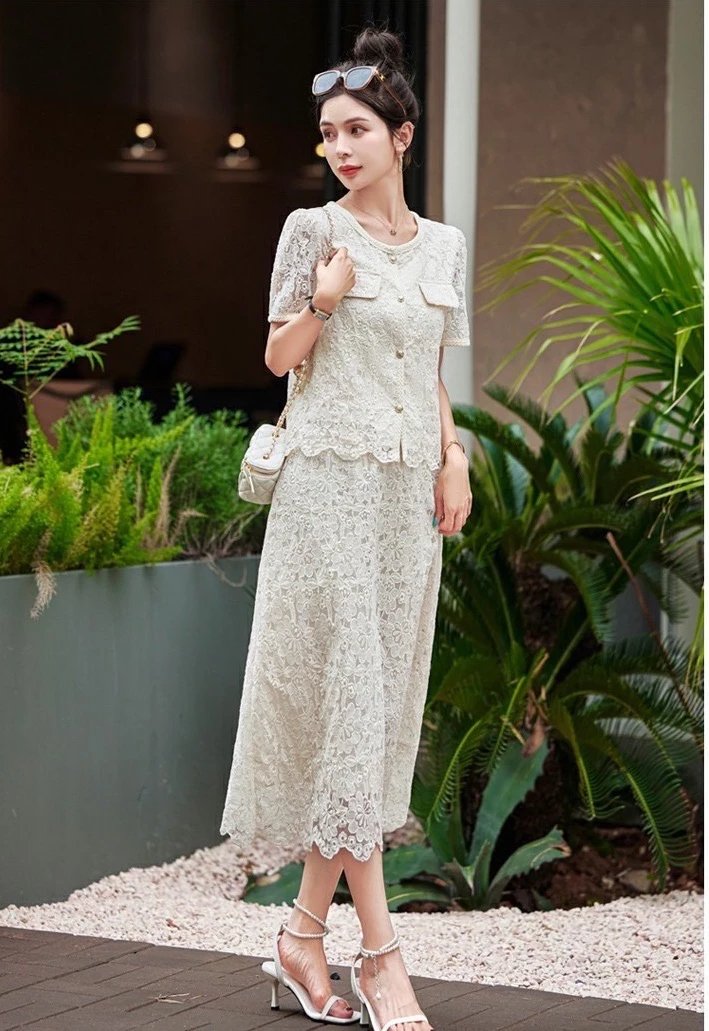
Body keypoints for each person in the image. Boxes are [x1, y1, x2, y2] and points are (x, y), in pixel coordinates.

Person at [220, 25, 472, 1031]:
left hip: (404, 505)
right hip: (327, 495)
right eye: (328, 133)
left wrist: (453, 455)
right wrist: (323, 302)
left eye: (357, 129)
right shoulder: (309, 231)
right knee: (352, 703)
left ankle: (299, 935)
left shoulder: (443, 246)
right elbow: (280, 356)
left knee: (367, 717)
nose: (339, 147)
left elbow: (430, 371)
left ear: (401, 136)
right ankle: (381, 954)